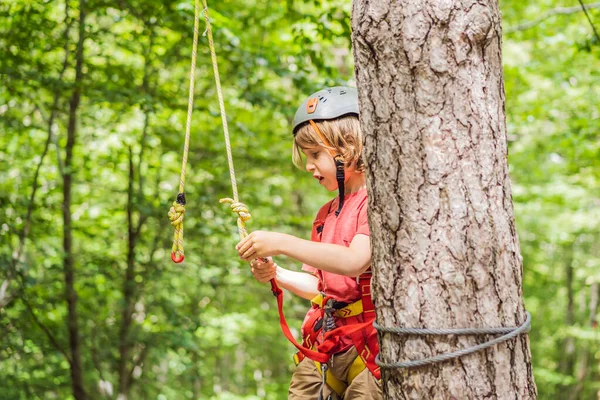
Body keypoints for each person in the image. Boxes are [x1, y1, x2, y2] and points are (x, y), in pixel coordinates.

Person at [235, 86, 381, 400]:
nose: (309, 165)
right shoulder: (325, 214)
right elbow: (321, 286)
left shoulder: (374, 201)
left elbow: (356, 261)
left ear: (348, 147)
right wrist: (277, 274)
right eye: (306, 156)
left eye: (316, 154)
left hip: (368, 347)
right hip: (326, 342)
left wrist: (282, 242)